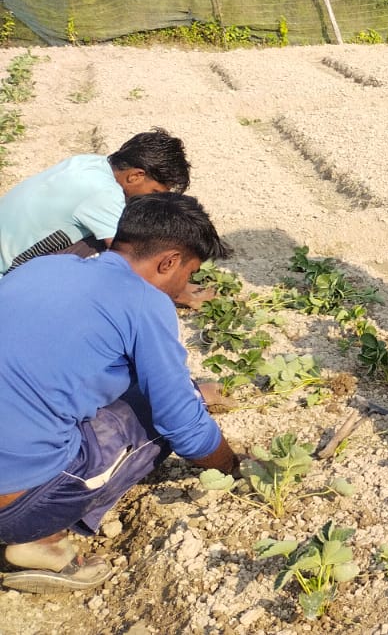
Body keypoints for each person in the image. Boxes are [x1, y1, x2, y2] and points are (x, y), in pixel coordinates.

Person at [0, 192, 240, 594]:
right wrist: (233, 467)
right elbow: (183, 425)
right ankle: (42, 542)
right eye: (189, 272)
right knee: (149, 417)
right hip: (17, 507)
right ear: (168, 262)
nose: (186, 285)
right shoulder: (145, 303)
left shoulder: (44, 267)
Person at [0, 128, 189, 275]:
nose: (154, 198)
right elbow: (131, 260)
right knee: (115, 256)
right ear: (135, 176)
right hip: (8, 272)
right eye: (154, 191)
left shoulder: (89, 162)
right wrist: (182, 292)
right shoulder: (103, 194)